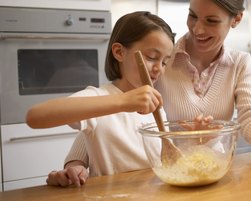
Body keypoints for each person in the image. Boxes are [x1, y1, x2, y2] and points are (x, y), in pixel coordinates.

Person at [47, 0, 251, 187]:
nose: (198, 29)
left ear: (236, 19)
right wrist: (77, 160)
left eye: (211, 21)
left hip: (209, 173)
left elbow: (250, 116)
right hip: (161, 177)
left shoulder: (240, 63)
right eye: (192, 15)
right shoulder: (159, 57)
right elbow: (111, 115)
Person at [25, 11, 175, 186]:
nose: (159, 69)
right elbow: (35, 117)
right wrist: (124, 101)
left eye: (164, 62)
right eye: (151, 57)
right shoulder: (100, 97)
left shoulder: (156, 104)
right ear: (119, 52)